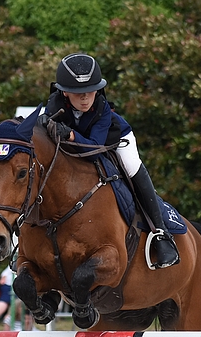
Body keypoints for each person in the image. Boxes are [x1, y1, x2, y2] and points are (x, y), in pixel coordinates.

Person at [40, 52, 179, 269]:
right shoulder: (53, 103)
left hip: (114, 140)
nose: (85, 98)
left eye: (89, 91)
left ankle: (161, 234)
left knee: (132, 167)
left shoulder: (102, 108)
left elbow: (95, 149)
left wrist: (71, 135)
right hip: (79, 147)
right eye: (78, 93)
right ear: (65, 93)